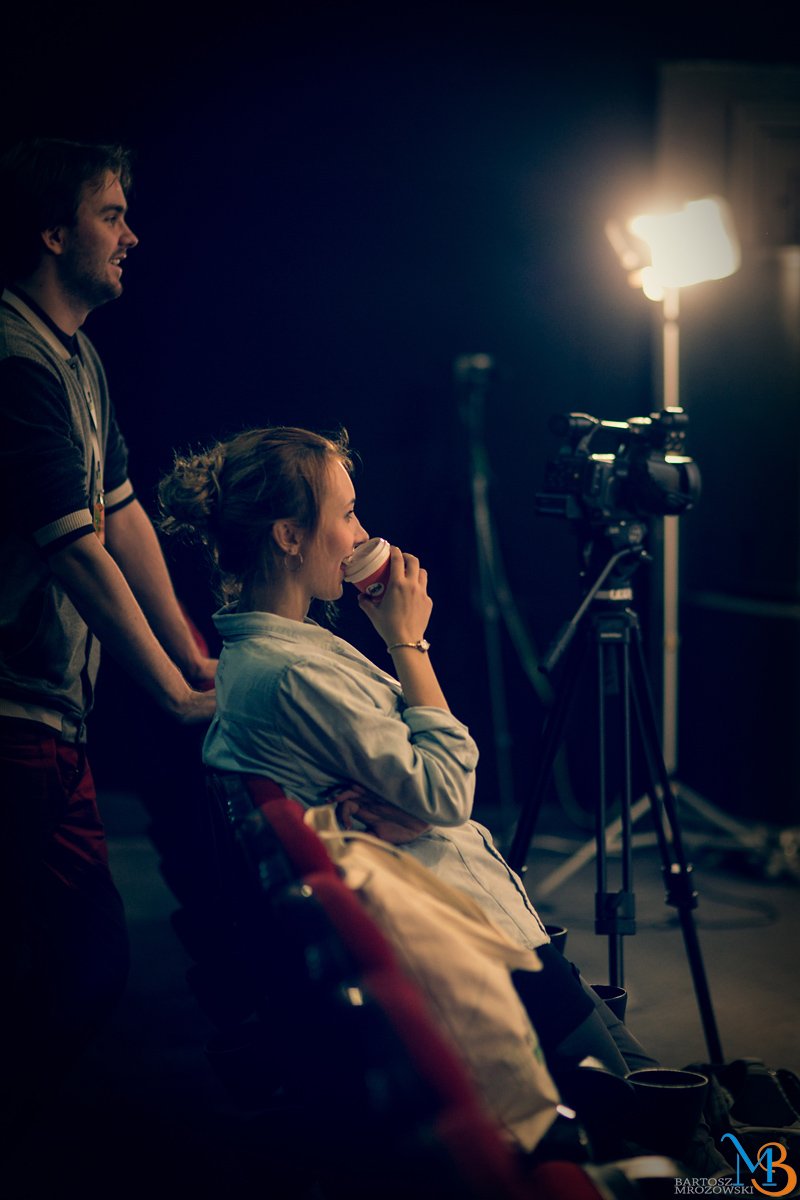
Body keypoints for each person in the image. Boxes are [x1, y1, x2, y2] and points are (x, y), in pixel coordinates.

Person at [156, 424, 660, 1077]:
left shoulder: (278, 653)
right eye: (346, 514)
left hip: (480, 926)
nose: (362, 534)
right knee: (650, 1106)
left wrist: (379, 812)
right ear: (288, 536)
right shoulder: (292, 674)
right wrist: (406, 642)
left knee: (658, 1086)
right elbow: (445, 793)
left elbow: (419, 799)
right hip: (471, 945)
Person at [0, 137, 217, 1143]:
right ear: (53, 232)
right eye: (111, 215)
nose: (132, 236)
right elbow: (77, 553)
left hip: (45, 716)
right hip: (11, 719)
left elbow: (121, 515)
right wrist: (172, 694)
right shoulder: (14, 362)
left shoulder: (75, 354)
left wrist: (191, 659)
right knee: (69, 966)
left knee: (72, 965)